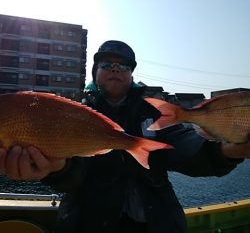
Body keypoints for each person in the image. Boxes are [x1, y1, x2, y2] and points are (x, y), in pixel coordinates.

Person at [0, 40, 249, 233]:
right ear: (95, 73)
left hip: (157, 225)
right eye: (107, 64)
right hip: (89, 224)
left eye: (124, 66)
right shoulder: (74, 114)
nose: (115, 69)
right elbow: (75, 169)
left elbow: (182, 144)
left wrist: (224, 151)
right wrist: (56, 169)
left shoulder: (154, 113)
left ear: (132, 75)